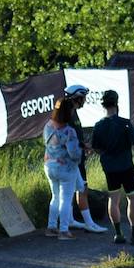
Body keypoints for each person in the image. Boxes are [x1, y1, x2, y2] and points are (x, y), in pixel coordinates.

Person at [90, 89, 134, 246]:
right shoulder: (125, 123)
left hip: (110, 168)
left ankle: (118, 234)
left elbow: (96, 148)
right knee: (133, 199)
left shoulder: (98, 125)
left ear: (103, 105)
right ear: (116, 104)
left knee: (113, 198)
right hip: (126, 166)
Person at [63, 84, 107, 233]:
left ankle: (69, 220)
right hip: (72, 161)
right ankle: (89, 223)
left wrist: (84, 146)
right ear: (77, 98)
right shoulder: (67, 115)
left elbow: (75, 137)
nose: (85, 101)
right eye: (84, 98)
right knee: (82, 189)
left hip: (76, 158)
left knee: (72, 190)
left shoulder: (72, 112)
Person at [43, 98, 82, 242]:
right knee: (66, 199)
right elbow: (74, 153)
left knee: (55, 197)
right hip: (66, 168)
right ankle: (64, 231)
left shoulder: (47, 126)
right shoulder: (69, 131)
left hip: (49, 165)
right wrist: (81, 152)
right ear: (68, 111)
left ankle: (51, 227)